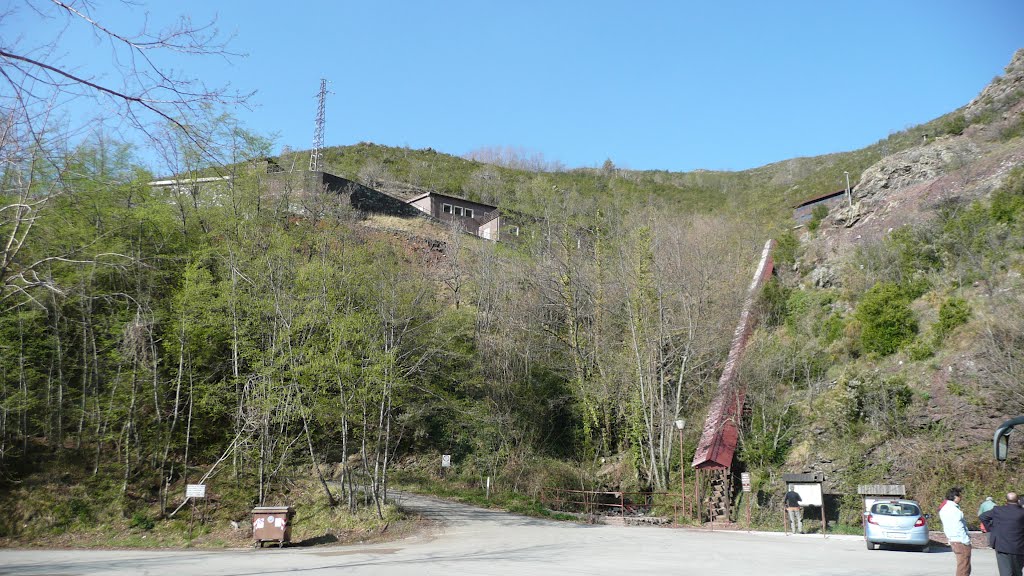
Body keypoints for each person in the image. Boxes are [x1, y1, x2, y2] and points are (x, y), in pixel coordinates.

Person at [979, 493, 1024, 576]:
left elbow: (983, 516)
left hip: (1001, 545)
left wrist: (992, 529)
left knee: (1005, 572)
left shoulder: (998, 510)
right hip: (1019, 547)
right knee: (1017, 572)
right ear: (1018, 501)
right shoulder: (1022, 512)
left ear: (1006, 500)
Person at [940, 487, 972, 576]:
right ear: (955, 497)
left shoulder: (944, 508)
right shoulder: (954, 510)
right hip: (961, 540)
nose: (961, 498)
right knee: (964, 567)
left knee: (962, 565)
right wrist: (966, 540)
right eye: (959, 496)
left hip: (953, 539)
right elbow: (959, 526)